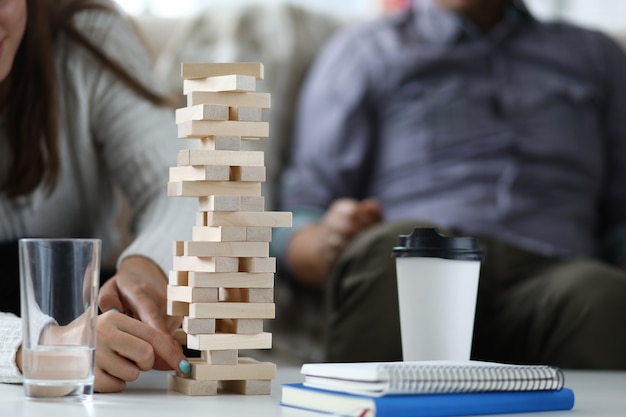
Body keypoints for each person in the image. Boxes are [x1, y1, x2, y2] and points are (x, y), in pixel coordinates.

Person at [277, 0, 626, 368]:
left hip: (557, 276)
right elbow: (302, 211)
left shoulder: (597, 56)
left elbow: (620, 215)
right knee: (395, 252)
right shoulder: (363, 51)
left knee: (603, 296)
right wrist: (325, 243)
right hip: (421, 260)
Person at [0, 0, 196, 392]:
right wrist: (42, 345)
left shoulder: (87, 38)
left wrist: (148, 266)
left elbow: (181, 185)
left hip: (93, 326)